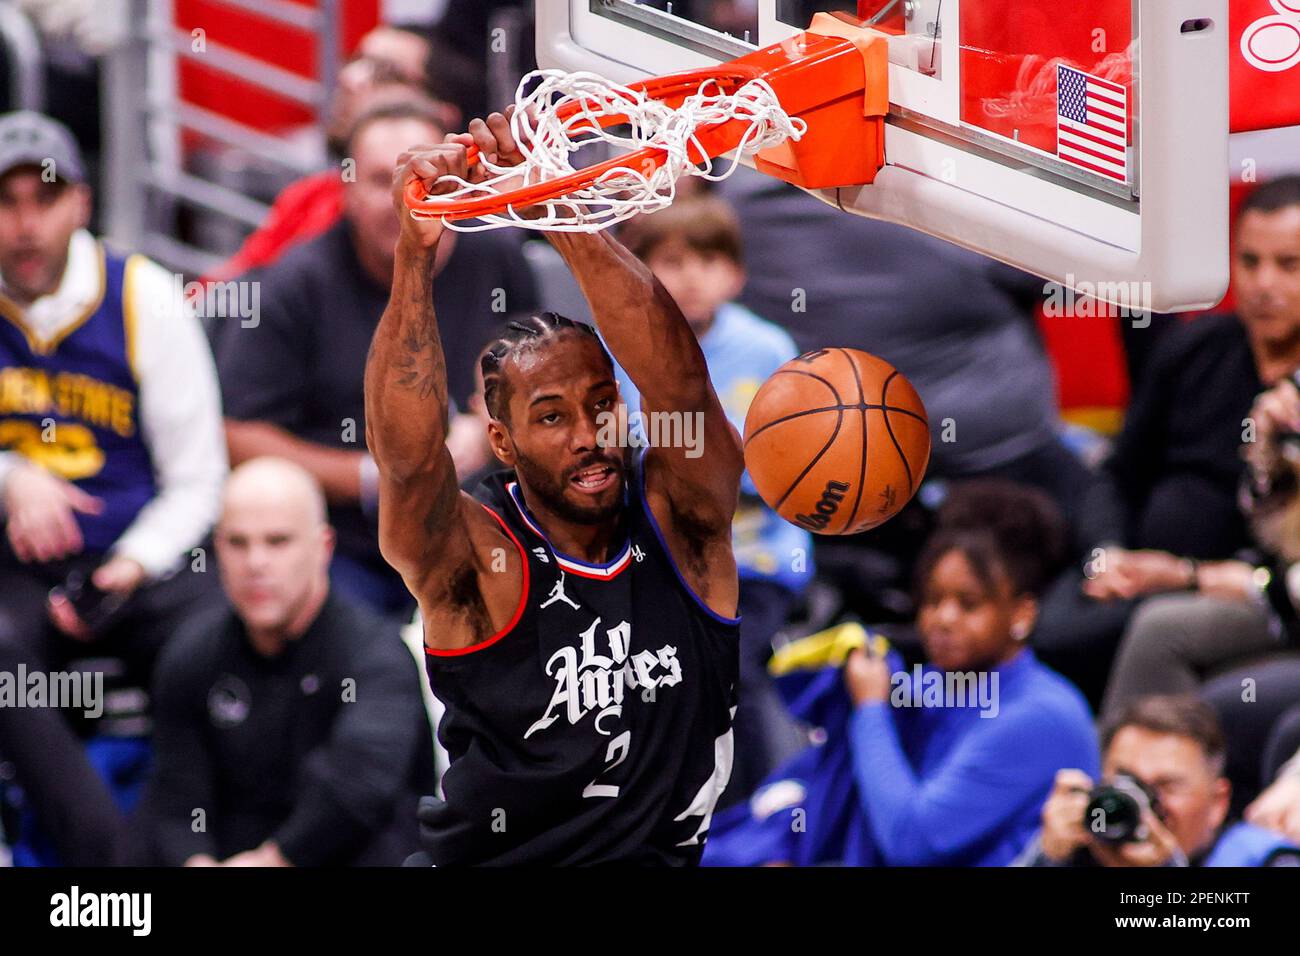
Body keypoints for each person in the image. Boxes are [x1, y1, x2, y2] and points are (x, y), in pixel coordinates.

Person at [366, 113, 743, 865]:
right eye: (551, 416)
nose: (588, 433)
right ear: (500, 442)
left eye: (601, 404)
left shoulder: (682, 518)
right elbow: (409, 465)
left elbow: (680, 386)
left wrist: (560, 204)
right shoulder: (480, 560)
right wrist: (414, 255)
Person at [0, 111, 227, 865]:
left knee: (221, 639)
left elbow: (199, 481)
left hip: (140, 560)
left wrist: (128, 566)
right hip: (18, 568)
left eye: (45, 198)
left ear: (82, 205)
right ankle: (103, 864)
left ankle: (205, 844)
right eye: (6, 202)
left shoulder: (143, 297)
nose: (25, 224)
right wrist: (12, 476)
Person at [214, 98, 539, 619]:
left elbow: (535, 357)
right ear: (343, 191)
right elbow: (237, 434)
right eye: (380, 180)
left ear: (463, 179)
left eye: (428, 174)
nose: (405, 197)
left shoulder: (497, 254)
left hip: (482, 520)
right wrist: (376, 475)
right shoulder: (294, 284)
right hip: (347, 544)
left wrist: (490, 423)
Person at [703, 481, 1097, 866]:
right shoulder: (931, 683)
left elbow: (912, 841)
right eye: (932, 600)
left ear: (1022, 613)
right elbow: (811, 778)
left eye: (968, 604)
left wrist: (871, 708)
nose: (942, 619)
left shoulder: (1042, 716)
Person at [615, 197, 811, 805]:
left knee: (730, 665)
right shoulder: (615, 348)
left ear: (737, 274)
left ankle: (768, 803)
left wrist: (712, 471)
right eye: (671, 260)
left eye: (708, 258)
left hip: (756, 561)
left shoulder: (767, 348)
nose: (691, 275)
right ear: (638, 270)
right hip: (649, 558)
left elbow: (794, 466)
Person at [142, 458, 434, 867]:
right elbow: (176, 798)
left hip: (349, 852)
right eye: (238, 543)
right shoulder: (192, 654)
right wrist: (196, 862)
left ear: (323, 547)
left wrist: (273, 861)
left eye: (277, 542)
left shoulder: (375, 656)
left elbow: (361, 788)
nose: (256, 564)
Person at [1020, 695, 1300, 867]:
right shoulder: (1080, 849)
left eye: (1166, 787)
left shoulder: (1267, 860)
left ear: (1218, 802)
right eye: (1126, 782)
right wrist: (1046, 858)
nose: (1142, 804)